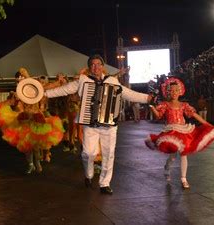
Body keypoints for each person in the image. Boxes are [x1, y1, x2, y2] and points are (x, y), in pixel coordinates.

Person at [45, 54, 152, 194]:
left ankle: (104, 183)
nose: (95, 67)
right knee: (88, 153)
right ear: (89, 67)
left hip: (109, 126)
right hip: (90, 124)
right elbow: (64, 89)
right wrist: (45, 94)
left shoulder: (112, 80)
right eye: (92, 64)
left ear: (102, 66)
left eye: (98, 64)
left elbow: (128, 94)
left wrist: (147, 98)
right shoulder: (83, 80)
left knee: (108, 154)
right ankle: (89, 174)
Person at [144, 77, 214, 189]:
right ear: (168, 92)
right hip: (171, 131)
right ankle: (167, 168)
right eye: (171, 91)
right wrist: (152, 106)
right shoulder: (165, 105)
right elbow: (158, 116)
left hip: (183, 130)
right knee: (172, 157)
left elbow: (194, 115)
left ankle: (183, 178)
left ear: (180, 91)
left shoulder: (184, 105)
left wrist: (206, 123)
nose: (174, 93)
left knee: (183, 153)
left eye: (176, 90)